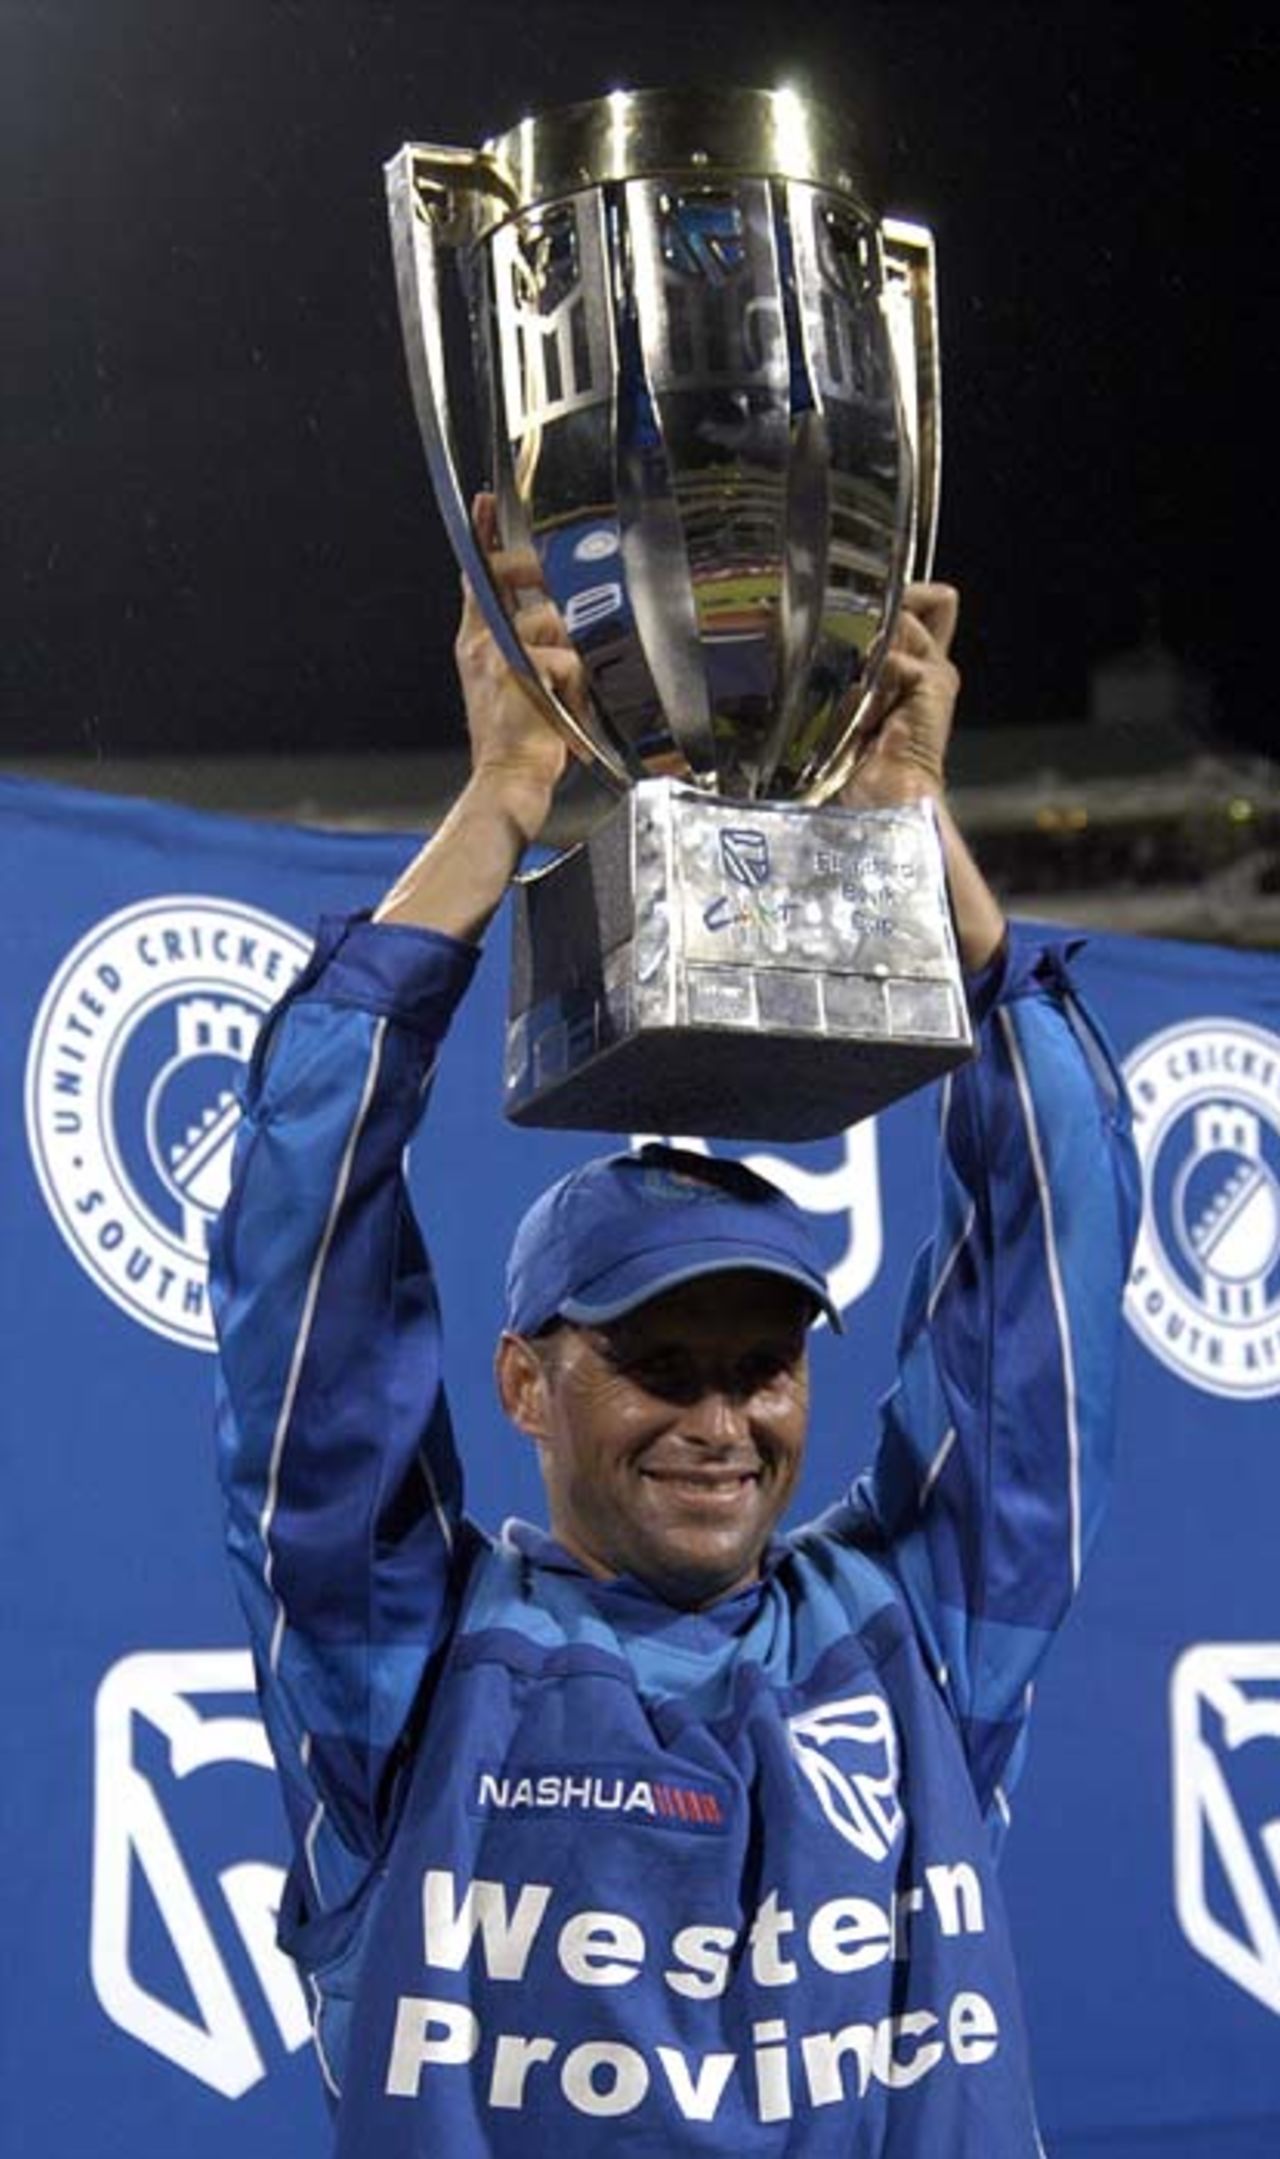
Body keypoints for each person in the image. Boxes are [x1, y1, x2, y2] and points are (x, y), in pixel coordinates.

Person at [211, 511, 1140, 2156]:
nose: (723, 1419)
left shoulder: (916, 1634)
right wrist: (499, 808)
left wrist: (917, 838)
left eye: (761, 1363)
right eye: (656, 1361)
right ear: (526, 1381)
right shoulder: (402, 1667)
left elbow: (1058, 1222)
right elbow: (303, 1252)